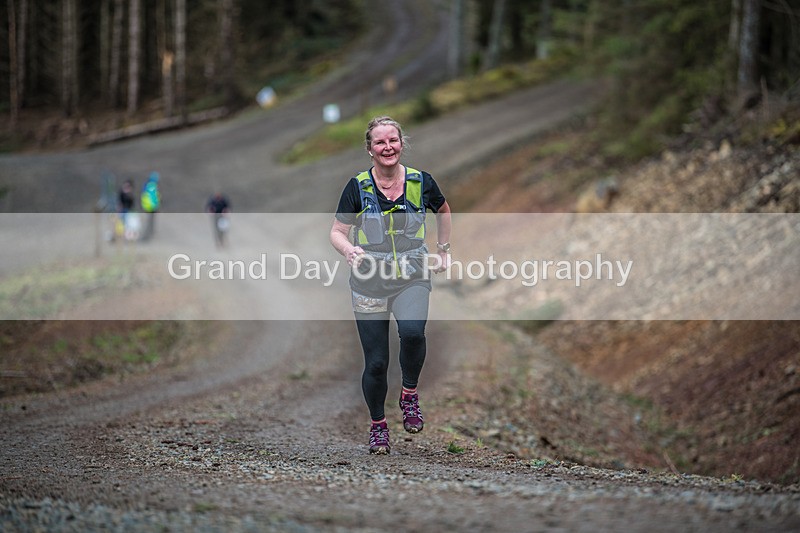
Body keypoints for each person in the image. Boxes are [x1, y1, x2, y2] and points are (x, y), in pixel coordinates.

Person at [330, 116, 452, 455]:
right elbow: (337, 232)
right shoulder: (357, 187)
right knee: (377, 362)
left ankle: (409, 394)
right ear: (369, 149)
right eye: (380, 142)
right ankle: (378, 426)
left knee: (413, 333)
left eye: (393, 141)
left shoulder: (420, 181)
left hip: (412, 274)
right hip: (369, 281)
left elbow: (443, 211)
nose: (388, 147)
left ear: (401, 144)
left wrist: (443, 251)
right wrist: (349, 249)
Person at [140, 172, 161, 241]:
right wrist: (156, 206)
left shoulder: (147, 185)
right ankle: (146, 237)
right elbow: (153, 198)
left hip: (147, 207)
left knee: (149, 222)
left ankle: (148, 236)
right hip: (151, 207)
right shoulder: (152, 186)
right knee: (149, 223)